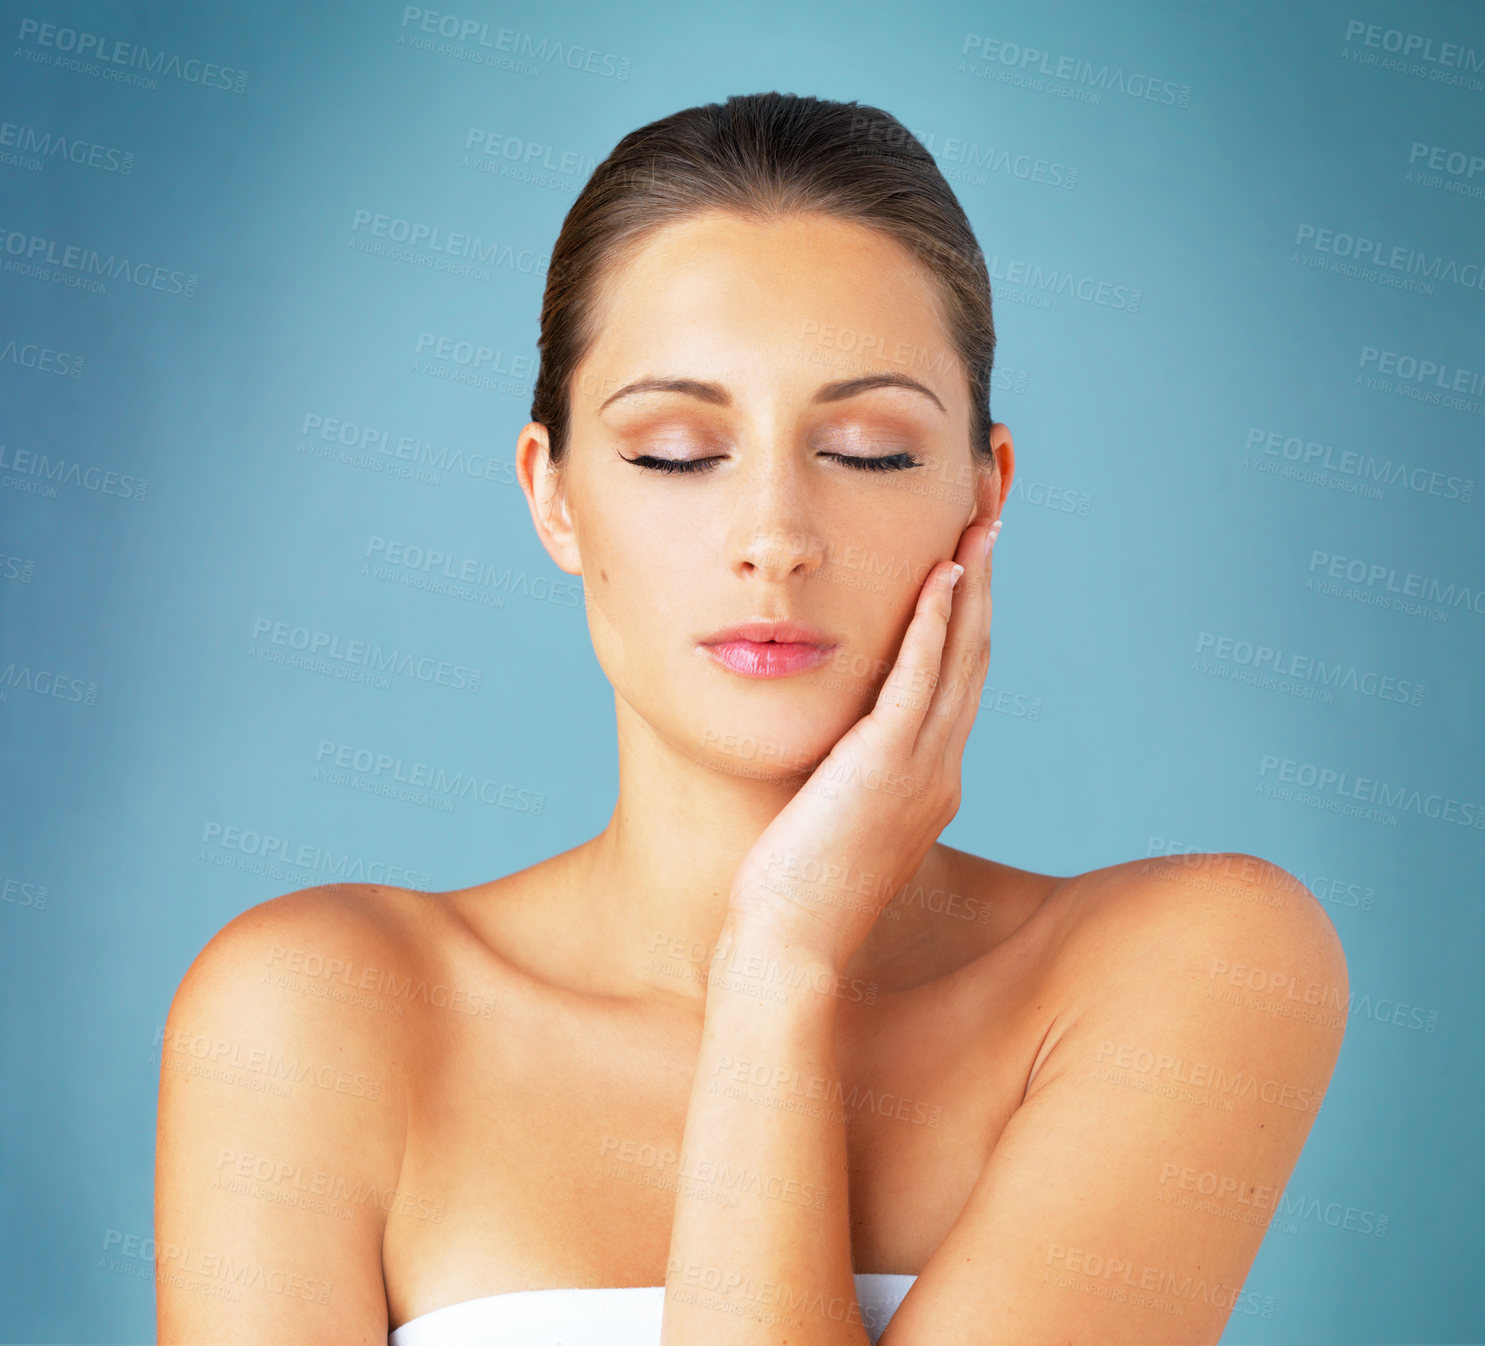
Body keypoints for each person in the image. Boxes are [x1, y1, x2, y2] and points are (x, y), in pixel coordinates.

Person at [155, 92, 1348, 1345]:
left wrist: (780, 959)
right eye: (675, 451)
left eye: (873, 450)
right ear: (553, 497)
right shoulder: (312, 1011)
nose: (775, 537)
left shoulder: (1190, 961)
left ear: (983, 493)